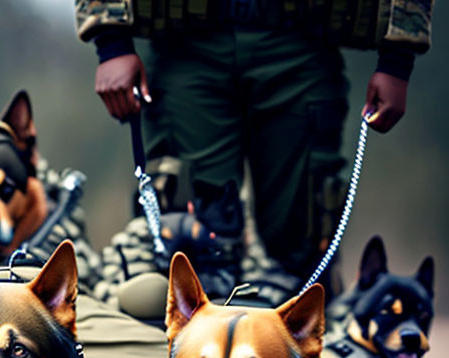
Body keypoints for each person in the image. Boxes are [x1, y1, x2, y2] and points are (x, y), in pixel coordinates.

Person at [75, 1, 433, 288]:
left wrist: (398, 54)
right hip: (186, 46)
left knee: (304, 235)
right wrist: (111, 39)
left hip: (300, 43)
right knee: (188, 233)